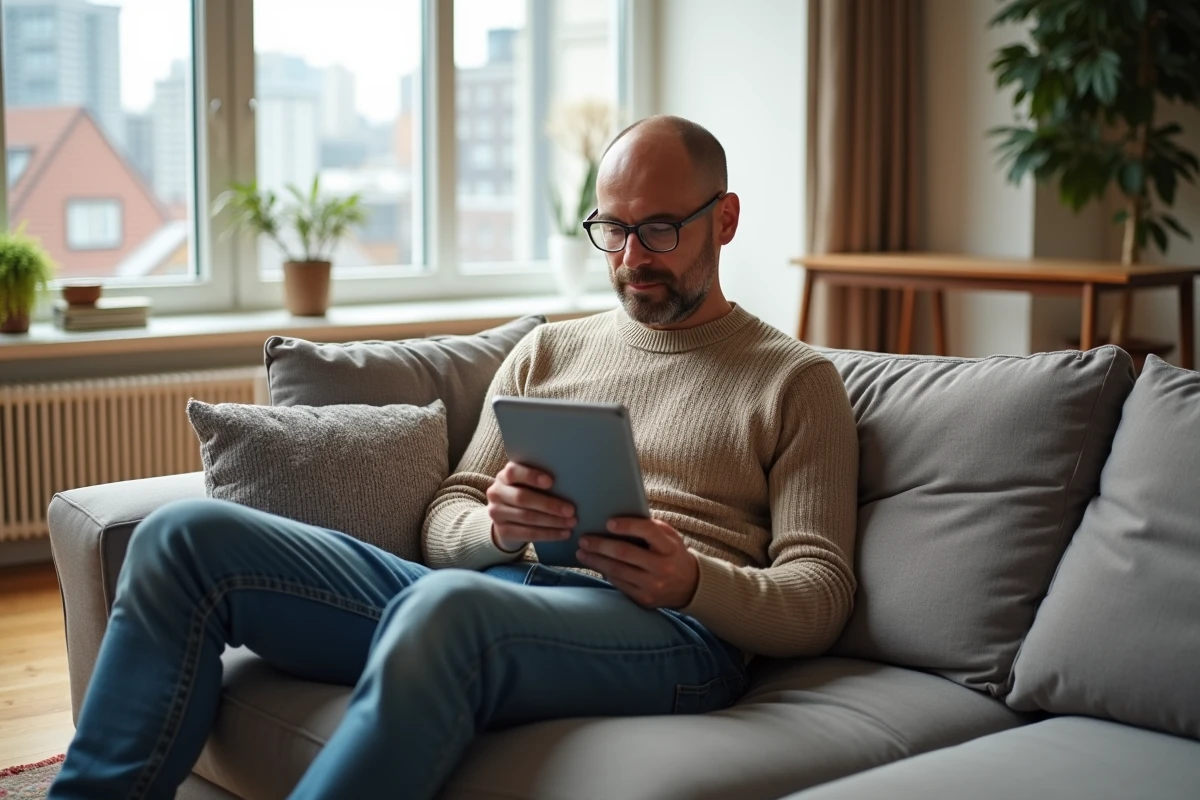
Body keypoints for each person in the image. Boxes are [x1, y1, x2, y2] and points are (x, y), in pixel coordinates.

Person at [50, 115, 859, 800]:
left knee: (447, 611)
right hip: (496, 596)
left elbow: (820, 594)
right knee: (184, 537)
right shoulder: (548, 351)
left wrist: (693, 580)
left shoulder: (795, 381)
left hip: (675, 636)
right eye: (612, 229)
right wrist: (497, 529)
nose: (630, 257)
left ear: (725, 219)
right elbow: (447, 518)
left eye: (659, 229)